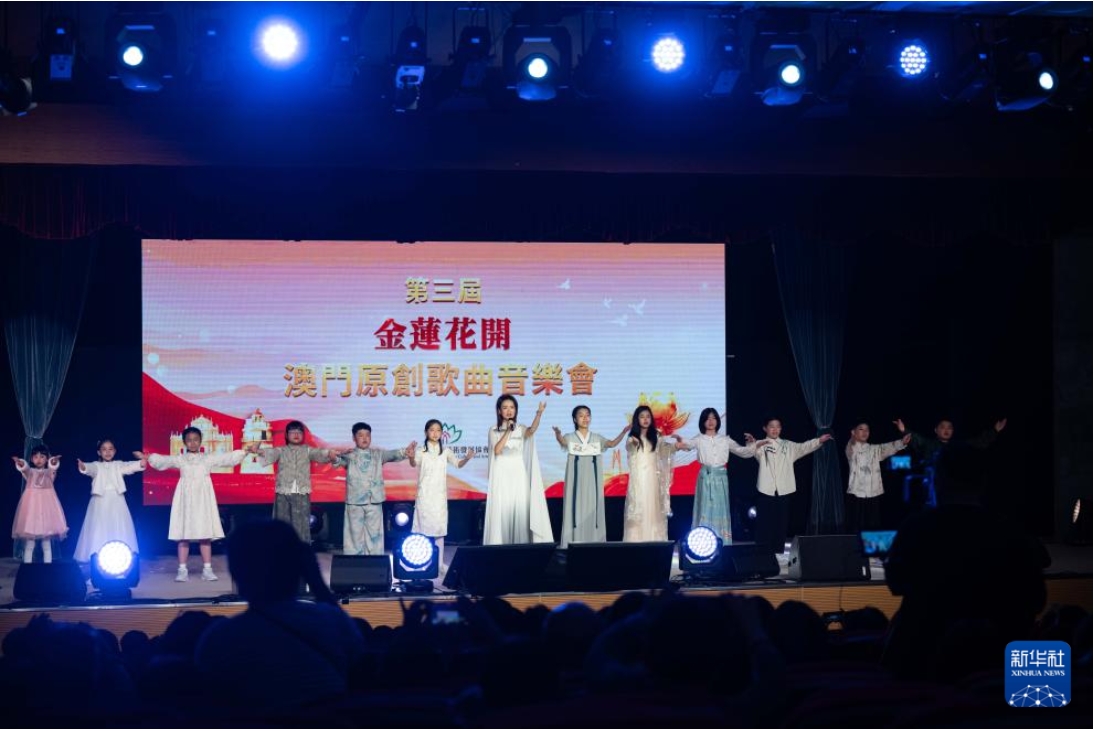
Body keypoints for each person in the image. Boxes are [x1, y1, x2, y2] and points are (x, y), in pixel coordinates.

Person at [193, 519, 365, 711]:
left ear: (235, 572)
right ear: (300, 567)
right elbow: (356, 657)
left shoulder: (219, 639)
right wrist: (316, 582)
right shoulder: (330, 622)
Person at [138, 427, 256, 581]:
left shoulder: (207, 458)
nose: (192, 443)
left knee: (204, 534)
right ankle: (182, 570)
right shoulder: (181, 459)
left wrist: (245, 451)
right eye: (189, 440)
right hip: (185, 498)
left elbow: (226, 458)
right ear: (184, 442)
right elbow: (165, 460)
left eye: (195, 440)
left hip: (203, 498)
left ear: (200, 441)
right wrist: (149, 457)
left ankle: (207, 569)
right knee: (183, 535)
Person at [748, 417, 832, 559]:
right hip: (765, 489)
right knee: (764, 523)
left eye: (778, 426)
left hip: (784, 489)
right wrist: (751, 443)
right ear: (765, 428)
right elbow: (752, 452)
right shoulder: (760, 445)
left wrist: (819, 440)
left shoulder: (788, 445)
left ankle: (778, 553)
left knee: (781, 523)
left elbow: (804, 447)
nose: (775, 429)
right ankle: (762, 554)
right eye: (771, 426)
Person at [674, 408, 760, 544]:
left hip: (720, 479)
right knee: (704, 509)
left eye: (713, 418)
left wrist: (751, 444)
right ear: (703, 421)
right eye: (707, 418)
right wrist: (680, 441)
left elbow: (744, 452)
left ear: (718, 421)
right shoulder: (699, 439)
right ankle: (701, 542)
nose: (711, 421)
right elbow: (687, 445)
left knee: (720, 509)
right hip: (705, 478)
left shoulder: (725, 440)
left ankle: (722, 541)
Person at [330, 422, 415, 555]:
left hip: (374, 500)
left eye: (367, 435)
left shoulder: (377, 454)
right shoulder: (349, 455)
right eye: (360, 435)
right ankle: (354, 562)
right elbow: (336, 461)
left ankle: (375, 561)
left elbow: (392, 455)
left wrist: (405, 452)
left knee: (374, 535)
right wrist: (337, 455)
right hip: (354, 501)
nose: (364, 438)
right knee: (354, 535)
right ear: (354, 438)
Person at [551, 405, 628, 547]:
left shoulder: (596, 437)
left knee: (593, 507)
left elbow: (611, 444)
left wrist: (623, 432)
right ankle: (573, 541)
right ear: (575, 419)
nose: (585, 418)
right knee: (575, 508)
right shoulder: (570, 437)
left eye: (587, 415)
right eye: (581, 415)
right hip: (576, 480)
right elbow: (563, 442)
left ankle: (593, 541)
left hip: (592, 480)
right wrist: (558, 434)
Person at [484, 396, 553, 545]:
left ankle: (520, 544)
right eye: (505, 408)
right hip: (502, 471)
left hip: (518, 471)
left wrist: (539, 413)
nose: (509, 410)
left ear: (515, 410)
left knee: (520, 506)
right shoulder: (493, 430)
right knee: (502, 507)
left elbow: (531, 430)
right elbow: (497, 450)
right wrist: (508, 432)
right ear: (499, 411)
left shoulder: (521, 428)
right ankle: (499, 543)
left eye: (512, 407)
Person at [893, 416, 1007, 507]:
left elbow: (978, 442)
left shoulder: (957, 446)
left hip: (952, 488)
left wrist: (995, 431)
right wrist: (903, 430)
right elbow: (915, 439)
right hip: (932, 486)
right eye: (943, 427)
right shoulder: (928, 444)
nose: (946, 430)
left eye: (949, 428)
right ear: (936, 430)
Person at [407, 419, 473, 571]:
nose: (435, 433)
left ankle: (438, 564)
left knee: (439, 531)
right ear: (426, 432)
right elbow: (413, 463)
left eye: (438, 430)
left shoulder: (446, 451)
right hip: (425, 496)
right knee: (423, 531)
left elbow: (458, 464)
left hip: (439, 497)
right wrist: (410, 456)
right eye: (432, 430)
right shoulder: (421, 451)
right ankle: (423, 563)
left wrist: (467, 458)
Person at [257, 420, 337, 544]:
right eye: (292, 432)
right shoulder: (281, 450)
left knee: (302, 525)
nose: (296, 434)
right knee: (281, 524)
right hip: (283, 493)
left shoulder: (308, 450)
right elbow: (268, 453)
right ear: (286, 435)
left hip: (301, 493)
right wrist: (259, 450)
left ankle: (301, 550)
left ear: (303, 435)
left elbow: (320, 453)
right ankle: (281, 551)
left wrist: (330, 453)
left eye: (299, 432)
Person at [73, 439, 143, 563]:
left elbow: (130, 466)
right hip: (99, 501)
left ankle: (120, 556)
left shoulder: (118, 465)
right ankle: (96, 556)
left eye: (110, 449)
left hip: (117, 500)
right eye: (104, 449)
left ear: (115, 451)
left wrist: (142, 462)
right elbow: (90, 468)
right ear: (99, 452)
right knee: (99, 527)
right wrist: (83, 466)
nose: (107, 452)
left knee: (118, 525)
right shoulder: (97, 465)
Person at [622, 405, 677, 542]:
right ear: (637, 420)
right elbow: (629, 448)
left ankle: (654, 541)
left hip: (653, 478)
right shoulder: (632, 437)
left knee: (653, 508)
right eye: (642, 417)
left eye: (648, 416)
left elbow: (664, 452)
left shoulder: (657, 436)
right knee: (639, 506)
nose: (645, 419)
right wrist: (633, 443)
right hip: (639, 479)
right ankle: (636, 542)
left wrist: (676, 446)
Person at [844, 422, 911, 533]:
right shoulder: (851, 447)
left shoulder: (874, 449)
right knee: (856, 527)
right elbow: (851, 446)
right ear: (853, 432)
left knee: (872, 527)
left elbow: (887, 447)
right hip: (857, 494)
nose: (865, 432)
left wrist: (902, 442)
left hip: (873, 493)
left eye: (867, 430)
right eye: (861, 429)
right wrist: (852, 437)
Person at [11, 446, 68, 563]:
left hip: (46, 509)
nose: (39, 459)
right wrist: (21, 463)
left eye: (42, 457)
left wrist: (53, 463)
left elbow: (52, 469)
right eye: (36, 457)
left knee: (46, 543)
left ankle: (47, 567)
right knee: (30, 543)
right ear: (32, 459)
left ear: (46, 459)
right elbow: (25, 469)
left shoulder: (49, 473)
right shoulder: (30, 473)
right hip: (32, 510)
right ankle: (27, 567)